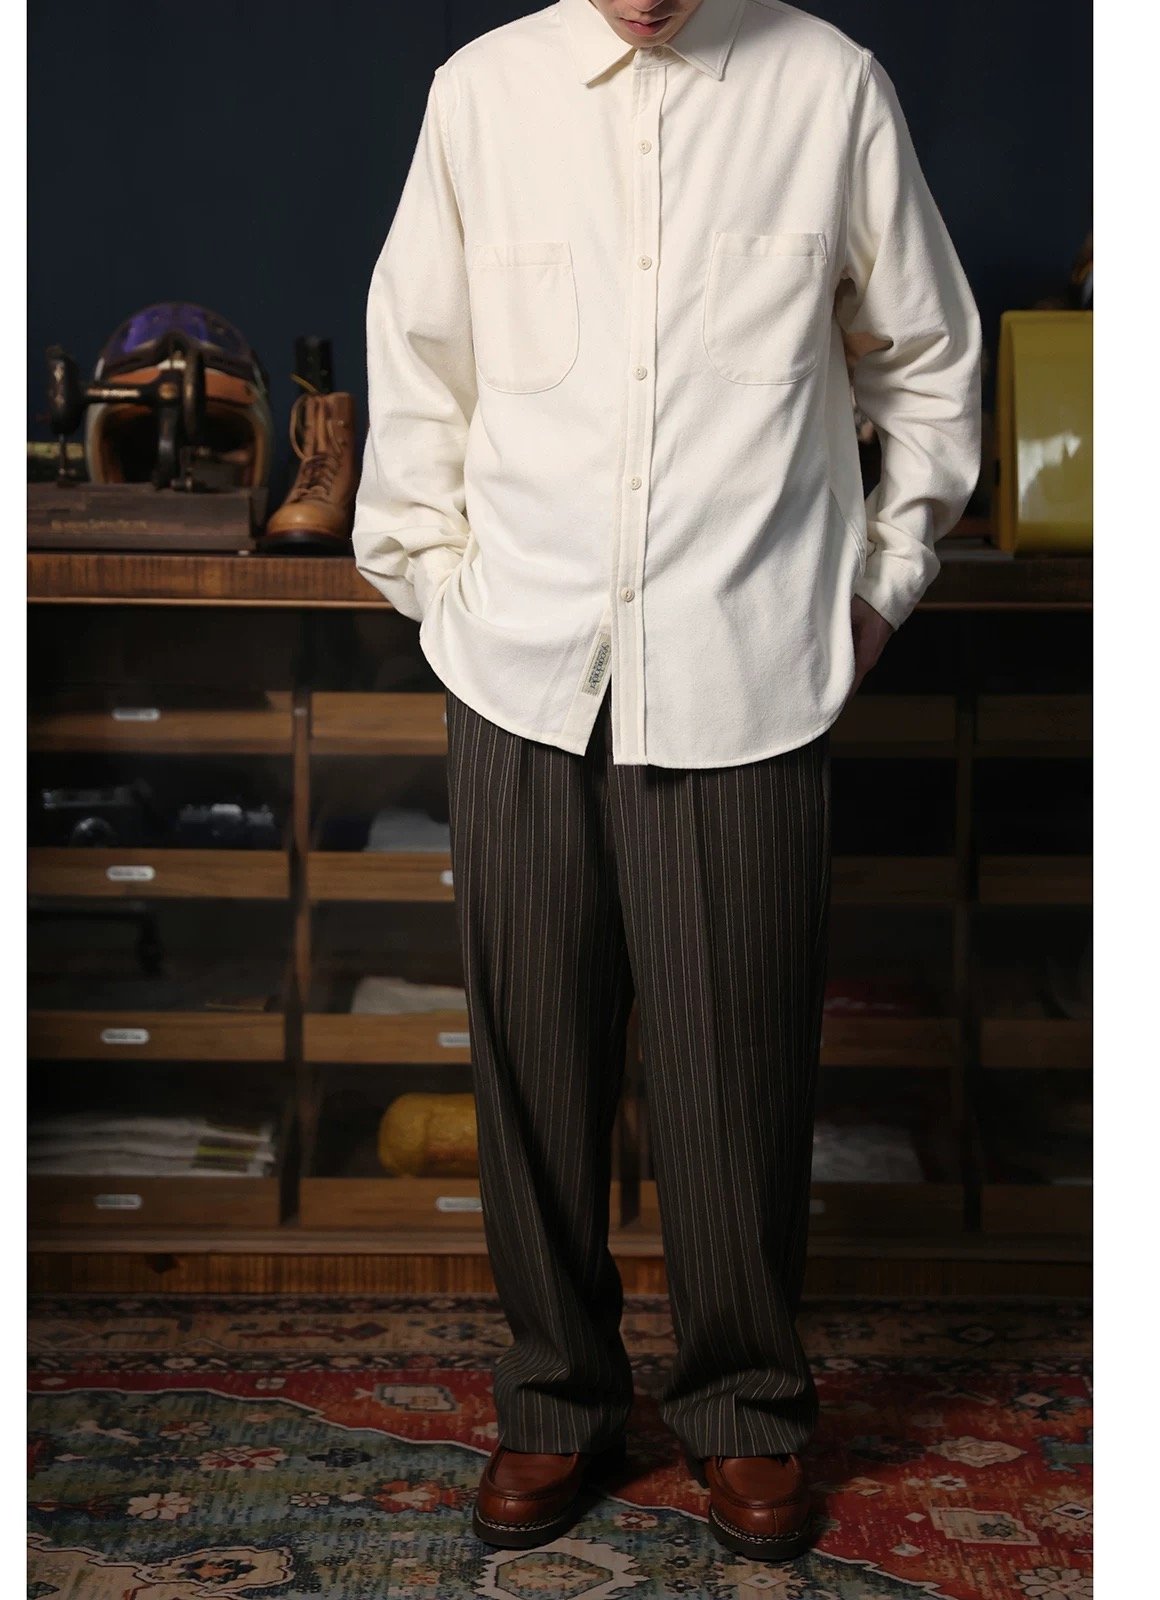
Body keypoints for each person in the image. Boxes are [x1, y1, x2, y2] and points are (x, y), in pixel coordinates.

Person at [352, 0, 981, 1564]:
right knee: (534, 1072)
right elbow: (421, 362)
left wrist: (881, 588)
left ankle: (746, 1411)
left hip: (745, 669)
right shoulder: (479, 94)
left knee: (739, 1076)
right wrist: (438, 590)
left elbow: (928, 362)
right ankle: (556, 1399)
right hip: (520, 670)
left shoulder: (832, 88)